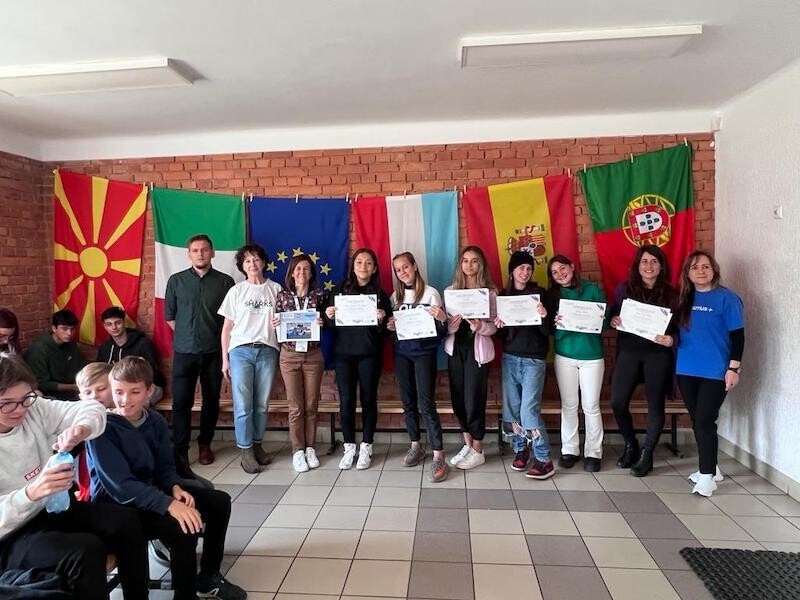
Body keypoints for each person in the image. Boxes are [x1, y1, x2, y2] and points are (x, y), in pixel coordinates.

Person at [87, 356, 246, 600]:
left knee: (219, 501)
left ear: (149, 391)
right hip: (119, 507)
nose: (125, 400)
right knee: (181, 525)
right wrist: (169, 504)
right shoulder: (102, 428)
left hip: (150, 494)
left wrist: (174, 487)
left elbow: (164, 465)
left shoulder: (156, 420)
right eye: (118, 392)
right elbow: (121, 487)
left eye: (134, 392)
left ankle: (208, 577)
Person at [0, 353, 149, 600]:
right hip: (10, 535)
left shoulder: (35, 408)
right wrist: (30, 493)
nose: (20, 409)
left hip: (48, 510)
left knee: (126, 520)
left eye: (25, 398)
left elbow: (91, 407)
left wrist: (82, 428)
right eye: (7, 403)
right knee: (86, 550)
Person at [675, 251, 744, 497]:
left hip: (715, 371)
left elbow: (738, 337)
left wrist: (733, 368)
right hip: (686, 369)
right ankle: (712, 468)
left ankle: (706, 478)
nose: (700, 271)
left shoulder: (728, 298)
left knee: (704, 420)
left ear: (713, 269)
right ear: (688, 273)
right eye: (694, 267)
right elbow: (675, 332)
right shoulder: (683, 299)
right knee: (699, 420)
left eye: (705, 266)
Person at [165, 234, 234, 471]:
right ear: (189, 254)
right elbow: (170, 317)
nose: (200, 254)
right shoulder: (176, 281)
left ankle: (205, 444)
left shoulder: (225, 282)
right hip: (184, 352)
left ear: (212, 253)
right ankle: (181, 451)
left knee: (211, 401)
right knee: (181, 403)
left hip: (214, 352)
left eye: (204, 250)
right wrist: (188, 335)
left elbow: (230, 320)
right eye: (195, 250)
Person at [610, 244, 677, 477]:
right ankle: (631, 444)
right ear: (637, 266)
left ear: (661, 266)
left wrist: (672, 339)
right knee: (617, 402)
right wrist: (614, 319)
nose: (649, 266)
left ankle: (647, 455)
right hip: (629, 352)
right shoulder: (624, 289)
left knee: (655, 404)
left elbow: (680, 327)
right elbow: (614, 314)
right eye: (644, 261)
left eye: (654, 261)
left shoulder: (672, 294)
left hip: (658, 355)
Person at [323, 248, 392, 470]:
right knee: (346, 401)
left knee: (369, 400)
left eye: (369, 263)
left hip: (370, 355)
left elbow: (387, 331)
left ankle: (367, 446)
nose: (364, 266)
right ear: (353, 266)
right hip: (344, 355)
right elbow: (328, 324)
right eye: (359, 262)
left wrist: (382, 319)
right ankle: (349, 446)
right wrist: (329, 315)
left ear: (374, 268)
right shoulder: (339, 290)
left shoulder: (380, 294)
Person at [218, 244, 282, 474]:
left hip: (268, 350)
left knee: (261, 404)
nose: (252, 264)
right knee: (243, 405)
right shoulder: (236, 291)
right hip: (240, 352)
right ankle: (245, 451)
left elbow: (286, 321)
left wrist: (280, 322)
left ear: (263, 262)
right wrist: (225, 360)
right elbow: (226, 328)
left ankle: (257, 445)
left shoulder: (276, 289)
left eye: (256, 259)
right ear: (242, 266)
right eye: (247, 261)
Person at [386, 252, 449, 483]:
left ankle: (438, 454)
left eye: (405, 267)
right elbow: (391, 331)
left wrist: (442, 319)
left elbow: (441, 332)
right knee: (408, 402)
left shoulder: (431, 293)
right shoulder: (395, 296)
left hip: (424, 354)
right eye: (398, 270)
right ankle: (416, 445)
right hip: (402, 354)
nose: (402, 272)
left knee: (426, 403)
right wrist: (390, 328)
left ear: (414, 266)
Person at [495, 251, 554, 479]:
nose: (525, 272)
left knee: (529, 410)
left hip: (533, 360)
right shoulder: (504, 296)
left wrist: (544, 315)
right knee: (512, 409)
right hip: (510, 358)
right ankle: (521, 449)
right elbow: (502, 337)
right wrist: (499, 326)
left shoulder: (539, 293)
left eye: (529, 268)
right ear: (512, 271)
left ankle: (544, 459)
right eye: (521, 268)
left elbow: (548, 331)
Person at [547, 255, 607, 473]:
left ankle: (593, 452)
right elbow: (549, 329)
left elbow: (605, 323)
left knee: (591, 405)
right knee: (569, 404)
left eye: (563, 268)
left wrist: (600, 319)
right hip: (565, 355)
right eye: (555, 272)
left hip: (592, 356)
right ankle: (569, 449)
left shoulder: (592, 290)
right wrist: (554, 322)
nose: (560, 274)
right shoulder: (553, 296)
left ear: (572, 267)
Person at [444, 246, 497, 470]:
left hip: (478, 354)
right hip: (456, 351)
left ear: (481, 264)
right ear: (460, 265)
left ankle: (478, 449)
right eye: (465, 260)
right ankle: (467, 445)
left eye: (474, 261)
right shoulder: (451, 291)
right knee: (458, 400)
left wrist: (480, 326)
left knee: (474, 400)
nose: (469, 265)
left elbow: (495, 327)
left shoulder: (490, 293)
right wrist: (451, 326)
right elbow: (444, 327)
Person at [273, 254, 326, 473]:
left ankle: (310, 448)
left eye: (306, 269)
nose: (301, 273)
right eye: (297, 269)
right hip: (289, 356)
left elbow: (330, 319)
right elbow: (276, 323)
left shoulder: (320, 295)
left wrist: (324, 321)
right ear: (291, 273)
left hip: (313, 356)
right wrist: (276, 322)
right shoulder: (282, 296)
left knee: (311, 405)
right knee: (295, 407)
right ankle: (297, 450)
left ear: (311, 273)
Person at [97, 306, 165, 404]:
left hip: (148, 386)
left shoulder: (143, 343)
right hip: (118, 389)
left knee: (137, 402)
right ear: (105, 326)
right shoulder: (105, 347)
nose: (114, 327)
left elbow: (152, 373)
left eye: (117, 323)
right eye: (109, 324)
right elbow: (100, 373)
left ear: (124, 322)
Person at [24, 309, 86, 401]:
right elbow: (40, 383)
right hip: (48, 396)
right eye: (64, 329)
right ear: (54, 328)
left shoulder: (71, 344)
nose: (69, 333)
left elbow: (81, 369)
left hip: (72, 392)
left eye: (72, 329)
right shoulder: (40, 349)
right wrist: (72, 387)